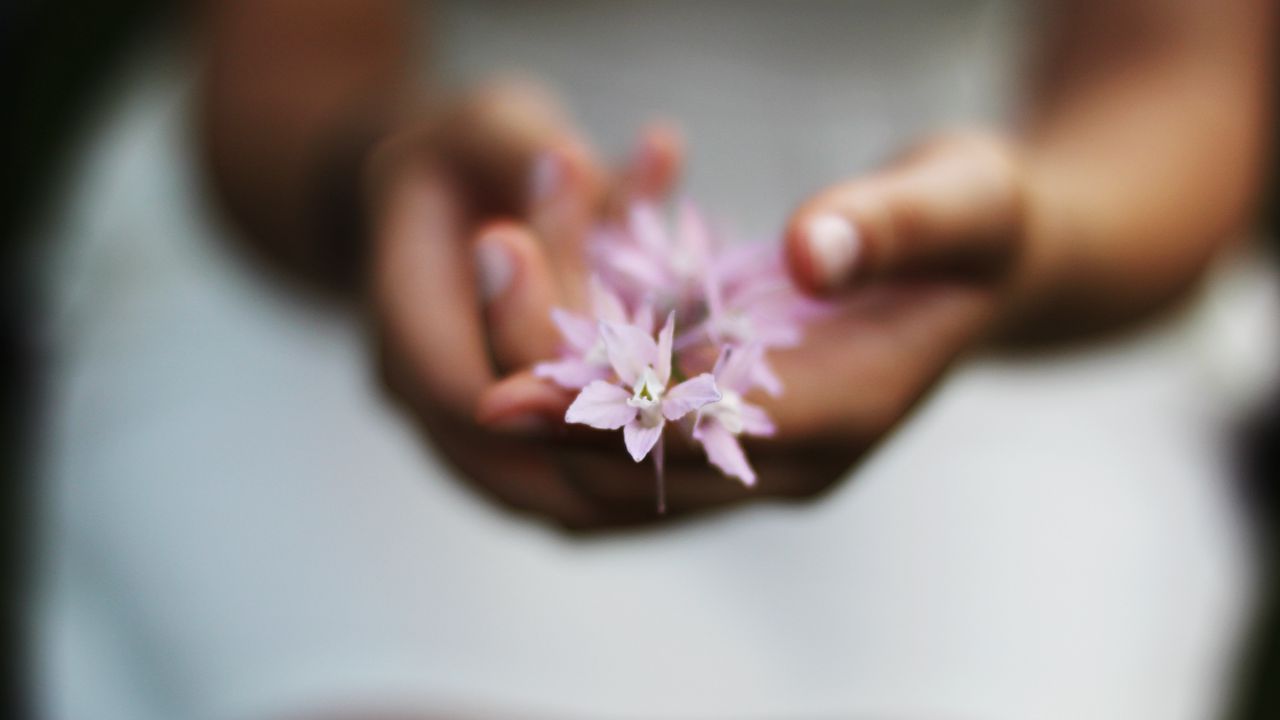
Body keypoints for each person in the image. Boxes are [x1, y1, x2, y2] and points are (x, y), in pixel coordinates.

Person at [33, 0, 1277, 717]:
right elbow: (288, 61)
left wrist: (1018, 244)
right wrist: (381, 187)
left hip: (990, 242)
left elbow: (1177, 81)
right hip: (381, 228)